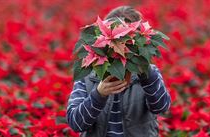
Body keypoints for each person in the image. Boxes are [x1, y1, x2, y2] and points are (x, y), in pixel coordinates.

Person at [66, 6, 171, 137]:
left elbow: (161, 107)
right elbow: (75, 123)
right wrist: (98, 94)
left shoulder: (148, 74)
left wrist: (145, 71)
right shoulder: (88, 76)